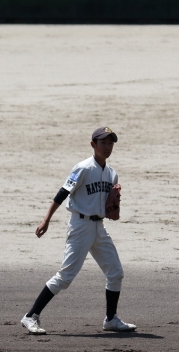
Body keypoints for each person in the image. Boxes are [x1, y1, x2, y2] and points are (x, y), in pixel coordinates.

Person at [20, 126, 136, 335]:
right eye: (103, 143)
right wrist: (46, 219)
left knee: (116, 273)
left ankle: (111, 319)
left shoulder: (112, 174)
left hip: (99, 227)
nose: (107, 147)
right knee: (65, 276)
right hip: (80, 226)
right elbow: (63, 192)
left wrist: (113, 206)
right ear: (93, 144)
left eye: (111, 143)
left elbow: (109, 207)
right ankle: (31, 316)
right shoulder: (83, 168)